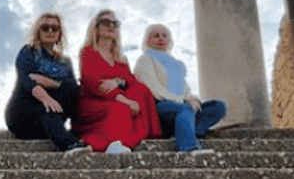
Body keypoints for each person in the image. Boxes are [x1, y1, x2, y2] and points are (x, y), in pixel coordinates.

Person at [73, 9, 162, 153]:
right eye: (105, 22)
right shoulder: (88, 52)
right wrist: (125, 100)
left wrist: (117, 82)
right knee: (120, 108)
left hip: (118, 98)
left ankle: (131, 139)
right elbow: (94, 83)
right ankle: (111, 143)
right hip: (95, 102)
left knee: (141, 90)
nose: (111, 26)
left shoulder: (121, 59)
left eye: (115, 23)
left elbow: (130, 82)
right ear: (95, 27)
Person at [133, 22, 227, 154]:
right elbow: (151, 87)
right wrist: (182, 101)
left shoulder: (175, 65)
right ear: (148, 41)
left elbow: (186, 91)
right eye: (156, 36)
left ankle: (185, 129)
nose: (161, 38)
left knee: (218, 106)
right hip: (159, 106)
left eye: (164, 35)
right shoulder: (145, 59)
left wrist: (192, 99)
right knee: (185, 109)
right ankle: (188, 147)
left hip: (181, 108)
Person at [4, 12, 88, 152]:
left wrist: (52, 83)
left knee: (73, 88)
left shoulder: (65, 63)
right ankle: (68, 144)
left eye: (54, 28)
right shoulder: (28, 52)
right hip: (23, 117)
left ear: (59, 34)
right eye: (45, 27)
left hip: (49, 120)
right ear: (38, 31)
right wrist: (47, 97)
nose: (50, 31)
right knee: (50, 103)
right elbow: (28, 81)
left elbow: (71, 90)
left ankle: (76, 136)